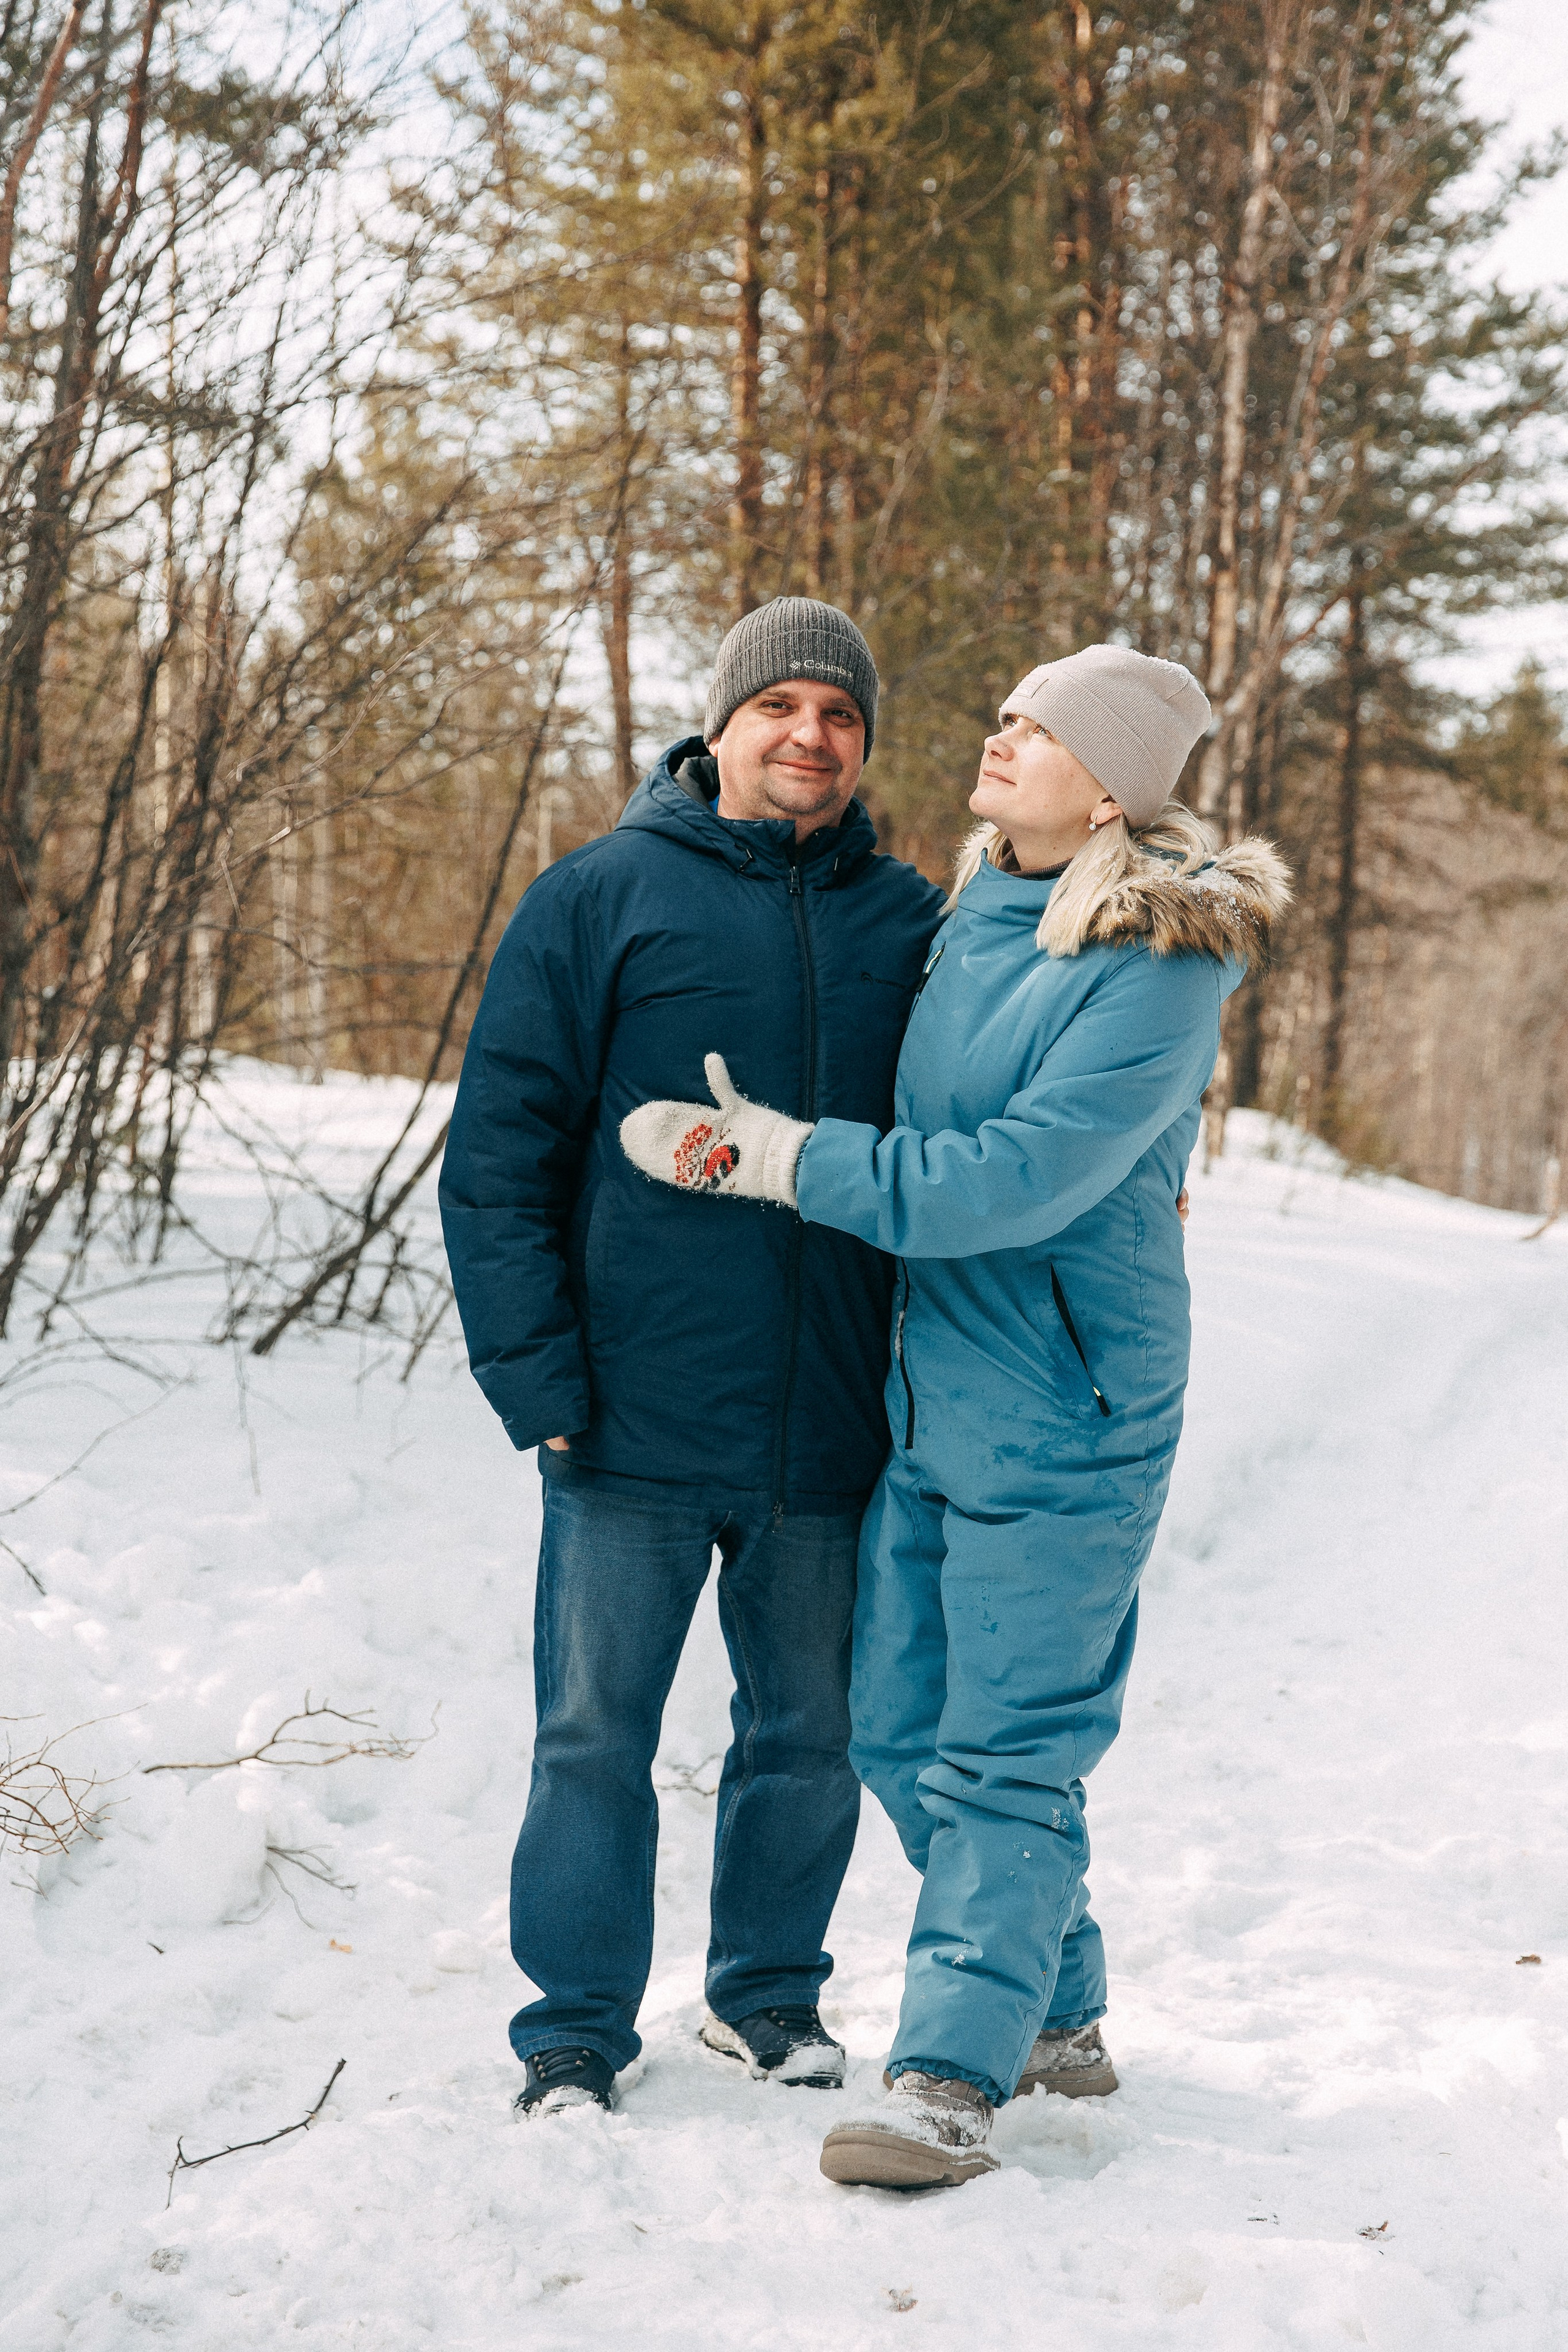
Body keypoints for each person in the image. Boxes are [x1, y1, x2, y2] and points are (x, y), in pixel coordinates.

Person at [621, 643, 1291, 2185]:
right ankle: (1052, 2003)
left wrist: (784, 1162)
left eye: (1038, 729)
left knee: (1002, 1753)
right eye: (998, 712)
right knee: (896, 1726)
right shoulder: (971, 914)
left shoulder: (1160, 963)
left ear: (1111, 783)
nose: (997, 738)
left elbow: (1006, 1179)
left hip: (1069, 1403)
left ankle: (945, 2074)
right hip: (929, 1389)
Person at [440, 598, 947, 2117]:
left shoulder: (910, 922)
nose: (811, 735)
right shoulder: (598, 896)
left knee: (807, 1733)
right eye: (781, 706)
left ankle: (765, 1997)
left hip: (831, 1418)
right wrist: (536, 1383)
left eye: (840, 715)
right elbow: (498, 1154)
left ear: (862, 746)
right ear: (721, 726)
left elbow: (1003, 1092)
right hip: (627, 1423)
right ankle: (575, 2027)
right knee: (595, 1732)